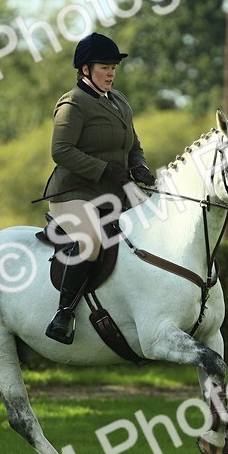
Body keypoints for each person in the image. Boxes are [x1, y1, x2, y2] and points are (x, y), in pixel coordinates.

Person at [40, 32, 156, 344]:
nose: (110, 73)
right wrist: (106, 169)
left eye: (113, 67)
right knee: (90, 239)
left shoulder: (119, 102)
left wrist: (139, 164)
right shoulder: (72, 103)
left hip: (114, 192)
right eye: (104, 67)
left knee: (157, 224)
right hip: (73, 194)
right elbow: (61, 151)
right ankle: (63, 314)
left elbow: (133, 143)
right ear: (85, 70)